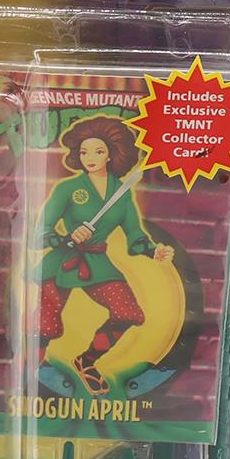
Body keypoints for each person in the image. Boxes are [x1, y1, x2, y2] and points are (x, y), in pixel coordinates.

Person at [38, 117, 172, 392]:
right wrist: (66, 238)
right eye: (84, 152)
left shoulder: (121, 194)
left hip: (97, 262)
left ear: (110, 155)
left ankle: (87, 361)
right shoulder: (67, 189)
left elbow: (135, 235)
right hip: (63, 260)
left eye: (98, 151)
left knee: (128, 312)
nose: (90, 158)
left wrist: (153, 250)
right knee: (45, 324)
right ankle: (29, 372)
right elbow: (40, 231)